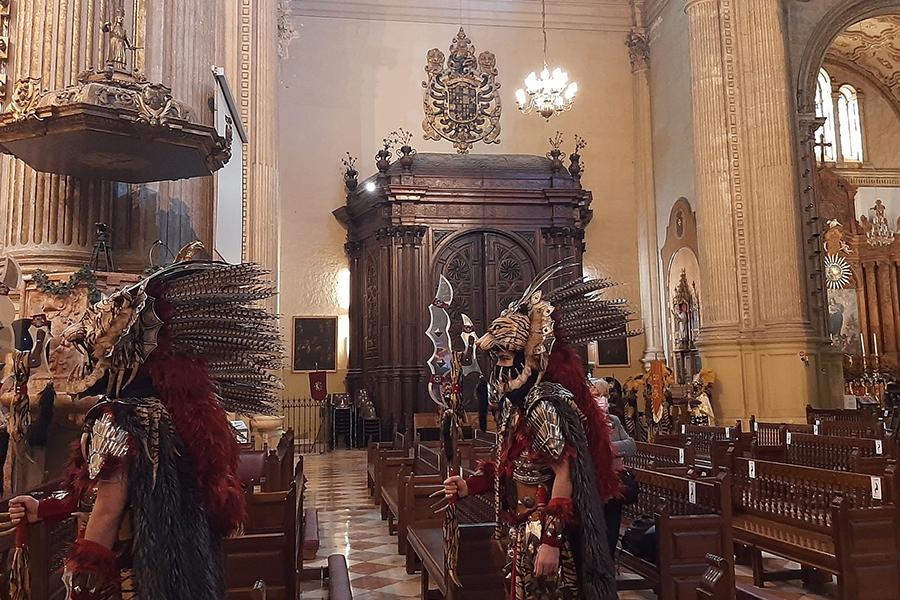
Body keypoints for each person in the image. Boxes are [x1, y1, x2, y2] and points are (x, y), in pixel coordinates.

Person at [3, 256, 282, 599]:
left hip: (138, 579)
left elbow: (106, 509)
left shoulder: (120, 418)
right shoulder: (181, 413)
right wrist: (43, 507)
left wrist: (79, 583)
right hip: (190, 574)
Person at [443, 261, 638, 600]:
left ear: (528, 355)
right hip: (522, 530)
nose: (501, 369)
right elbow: (515, 471)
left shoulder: (541, 404)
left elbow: (564, 475)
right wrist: (467, 486)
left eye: (506, 359)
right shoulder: (517, 406)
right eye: (498, 360)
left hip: (545, 535)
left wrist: (549, 541)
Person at [590, 377, 636, 557]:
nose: (601, 399)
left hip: (614, 484)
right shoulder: (581, 421)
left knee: (611, 532)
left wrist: (610, 448)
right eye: (595, 395)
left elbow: (631, 445)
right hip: (593, 484)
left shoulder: (614, 420)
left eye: (603, 395)